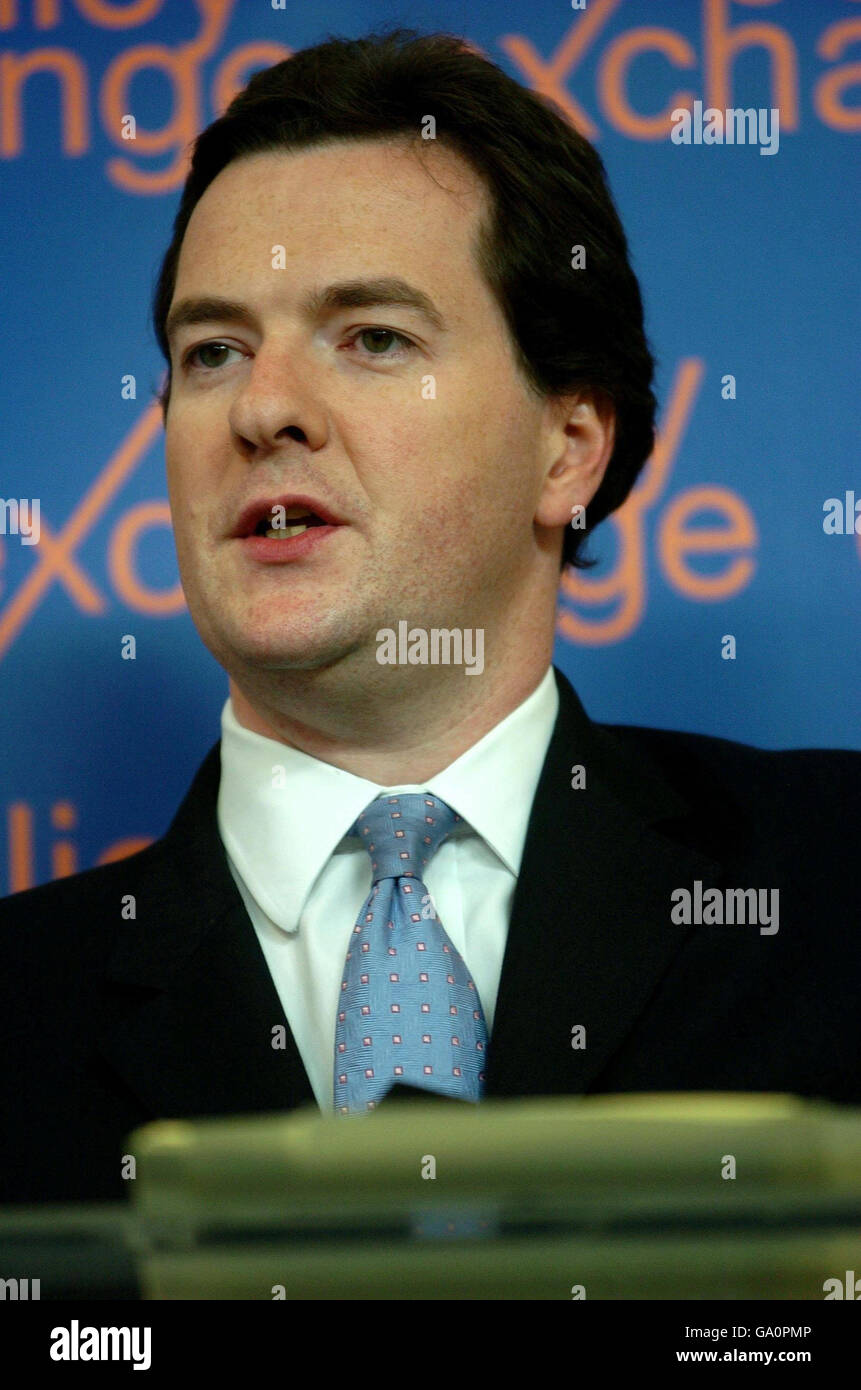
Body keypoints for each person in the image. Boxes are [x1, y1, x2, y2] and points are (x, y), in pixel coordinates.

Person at [1, 29, 857, 1206]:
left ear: (569, 448)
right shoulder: (17, 999)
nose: (262, 407)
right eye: (214, 351)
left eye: (374, 338)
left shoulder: (832, 884)